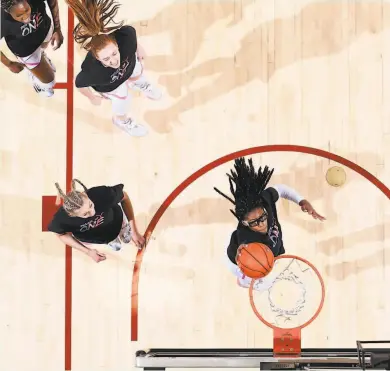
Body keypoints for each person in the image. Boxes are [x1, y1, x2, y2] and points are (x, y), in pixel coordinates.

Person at [214, 157, 325, 291]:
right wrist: (243, 257)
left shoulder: (265, 199)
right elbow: (239, 253)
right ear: (244, 222)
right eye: (254, 222)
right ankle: (243, 280)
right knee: (264, 283)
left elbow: (282, 189)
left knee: (271, 266)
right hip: (240, 263)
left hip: (268, 250)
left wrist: (301, 200)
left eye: (262, 217)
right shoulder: (247, 240)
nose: (261, 223)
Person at [65, 0, 162, 137]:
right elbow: (79, 84)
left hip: (129, 68)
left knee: (138, 69)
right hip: (111, 86)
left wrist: (138, 47)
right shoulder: (93, 72)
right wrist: (92, 97)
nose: (113, 60)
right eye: (106, 59)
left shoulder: (127, 39)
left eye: (114, 53)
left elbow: (131, 33)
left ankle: (140, 84)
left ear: (117, 45)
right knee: (123, 97)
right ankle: (120, 120)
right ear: (98, 59)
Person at [48, 179, 146, 263]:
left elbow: (124, 196)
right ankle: (110, 240)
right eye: (85, 214)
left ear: (85, 195)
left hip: (116, 221)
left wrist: (134, 231)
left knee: (127, 238)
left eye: (91, 205)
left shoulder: (100, 194)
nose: (92, 213)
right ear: (72, 215)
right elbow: (60, 234)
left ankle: (123, 227)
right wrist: (88, 252)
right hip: (99, 237)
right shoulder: (63, 218)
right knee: (117, 247)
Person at [1, 0, 64, 97]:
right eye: (20, 15)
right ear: (8, 12)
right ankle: (38, 83)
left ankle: (40, 57)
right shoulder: (1, 20)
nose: (26, 18)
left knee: (43, 48)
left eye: (27, 10)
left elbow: (52, 1)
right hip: (26, 50)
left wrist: (57, 28)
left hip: (44, 30)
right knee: (49, 81)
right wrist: (8, 63)